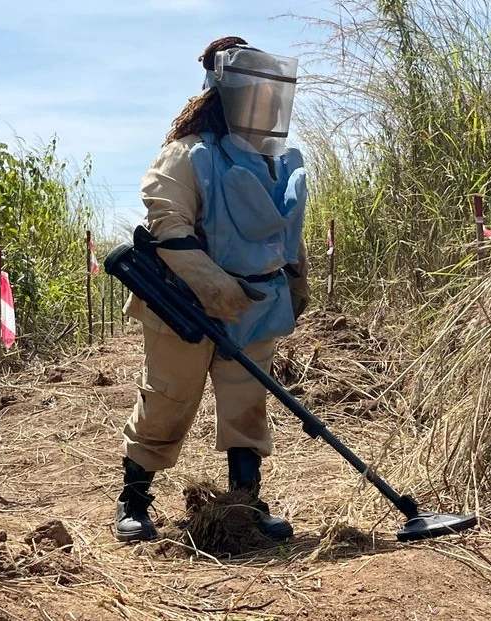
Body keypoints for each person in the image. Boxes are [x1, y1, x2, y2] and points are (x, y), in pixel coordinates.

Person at [113, 36, 310, 543]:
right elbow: (167, 227)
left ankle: (245, 503)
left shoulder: (278, 160)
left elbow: (285, 232)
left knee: (247, 402)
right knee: (168, 399)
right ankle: (133, 500)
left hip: (256, 306)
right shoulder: (187, 155)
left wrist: (295, 281)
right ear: (227, 94)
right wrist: (216, 290)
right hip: (182, 303)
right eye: (253, 93)